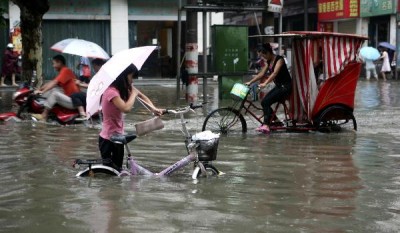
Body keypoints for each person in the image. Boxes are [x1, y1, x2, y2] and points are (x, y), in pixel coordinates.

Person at [99, 64, 163, 171]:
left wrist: (153, 109)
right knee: (110, 173)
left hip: (118, 136)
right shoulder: (111, 92)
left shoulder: (121, 90)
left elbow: (142, 96)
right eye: (131, 77)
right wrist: (133, 94)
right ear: (123, 76)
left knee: (118, 172)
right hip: (108, 139)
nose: (132, 81)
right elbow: (126, 108)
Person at [245, 43, 292, 134]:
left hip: (286, 87)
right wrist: (250, 82)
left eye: (263, 55)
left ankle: (266, 124)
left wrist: (265, 83)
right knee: (263, 102)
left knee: (266, 102)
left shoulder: (280, 60)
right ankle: (276, 121)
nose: (263, 58)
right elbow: (261, 74)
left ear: (268, 53)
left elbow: (274, 73)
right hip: (279, 86)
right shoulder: (269, 61)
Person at [32, 55, 80, 121]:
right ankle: (47, 111)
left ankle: (44, 115)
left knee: (55, 93)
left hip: (74, 102)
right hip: (71, 98)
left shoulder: (65, 70)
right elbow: (51, 83)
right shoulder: (63, 71)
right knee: (54, 89)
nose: (53, 66)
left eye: (54, 63)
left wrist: (42, 92)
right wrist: (39, 89)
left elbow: (54, 82)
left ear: (59, 62)